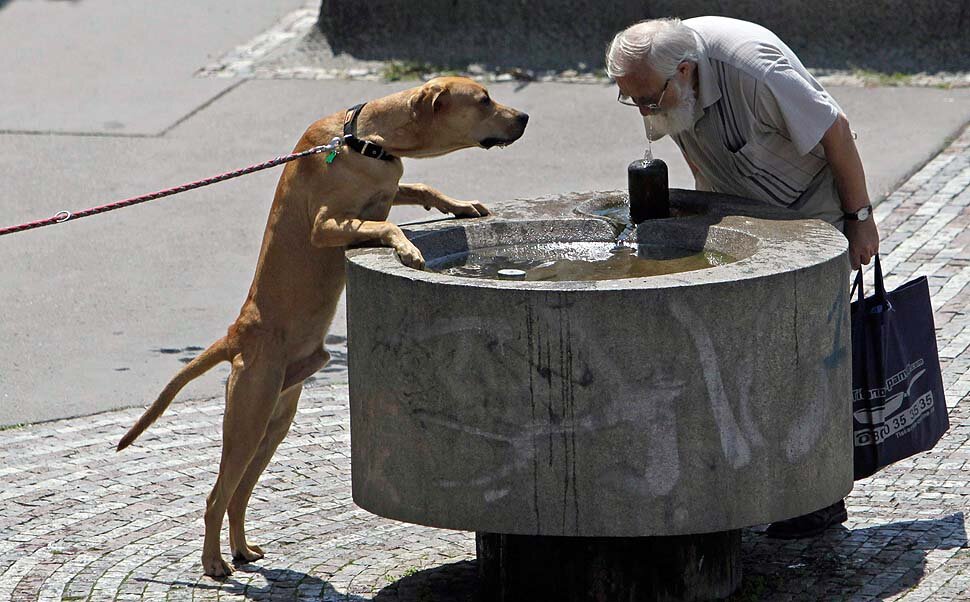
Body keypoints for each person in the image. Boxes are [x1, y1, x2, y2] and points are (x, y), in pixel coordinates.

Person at [606, 16, 879, 538]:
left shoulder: (753, 71)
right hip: (742, 211)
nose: (642, 112)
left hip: (810, 209)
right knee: (741, 346)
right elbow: (690, 136)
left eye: (647, 99)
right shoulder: (666, 79)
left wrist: (860, 219)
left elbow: (835, 130)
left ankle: (814, 497)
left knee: (798, 349)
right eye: (631, 101)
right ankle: (745, 483)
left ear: (685, 71)